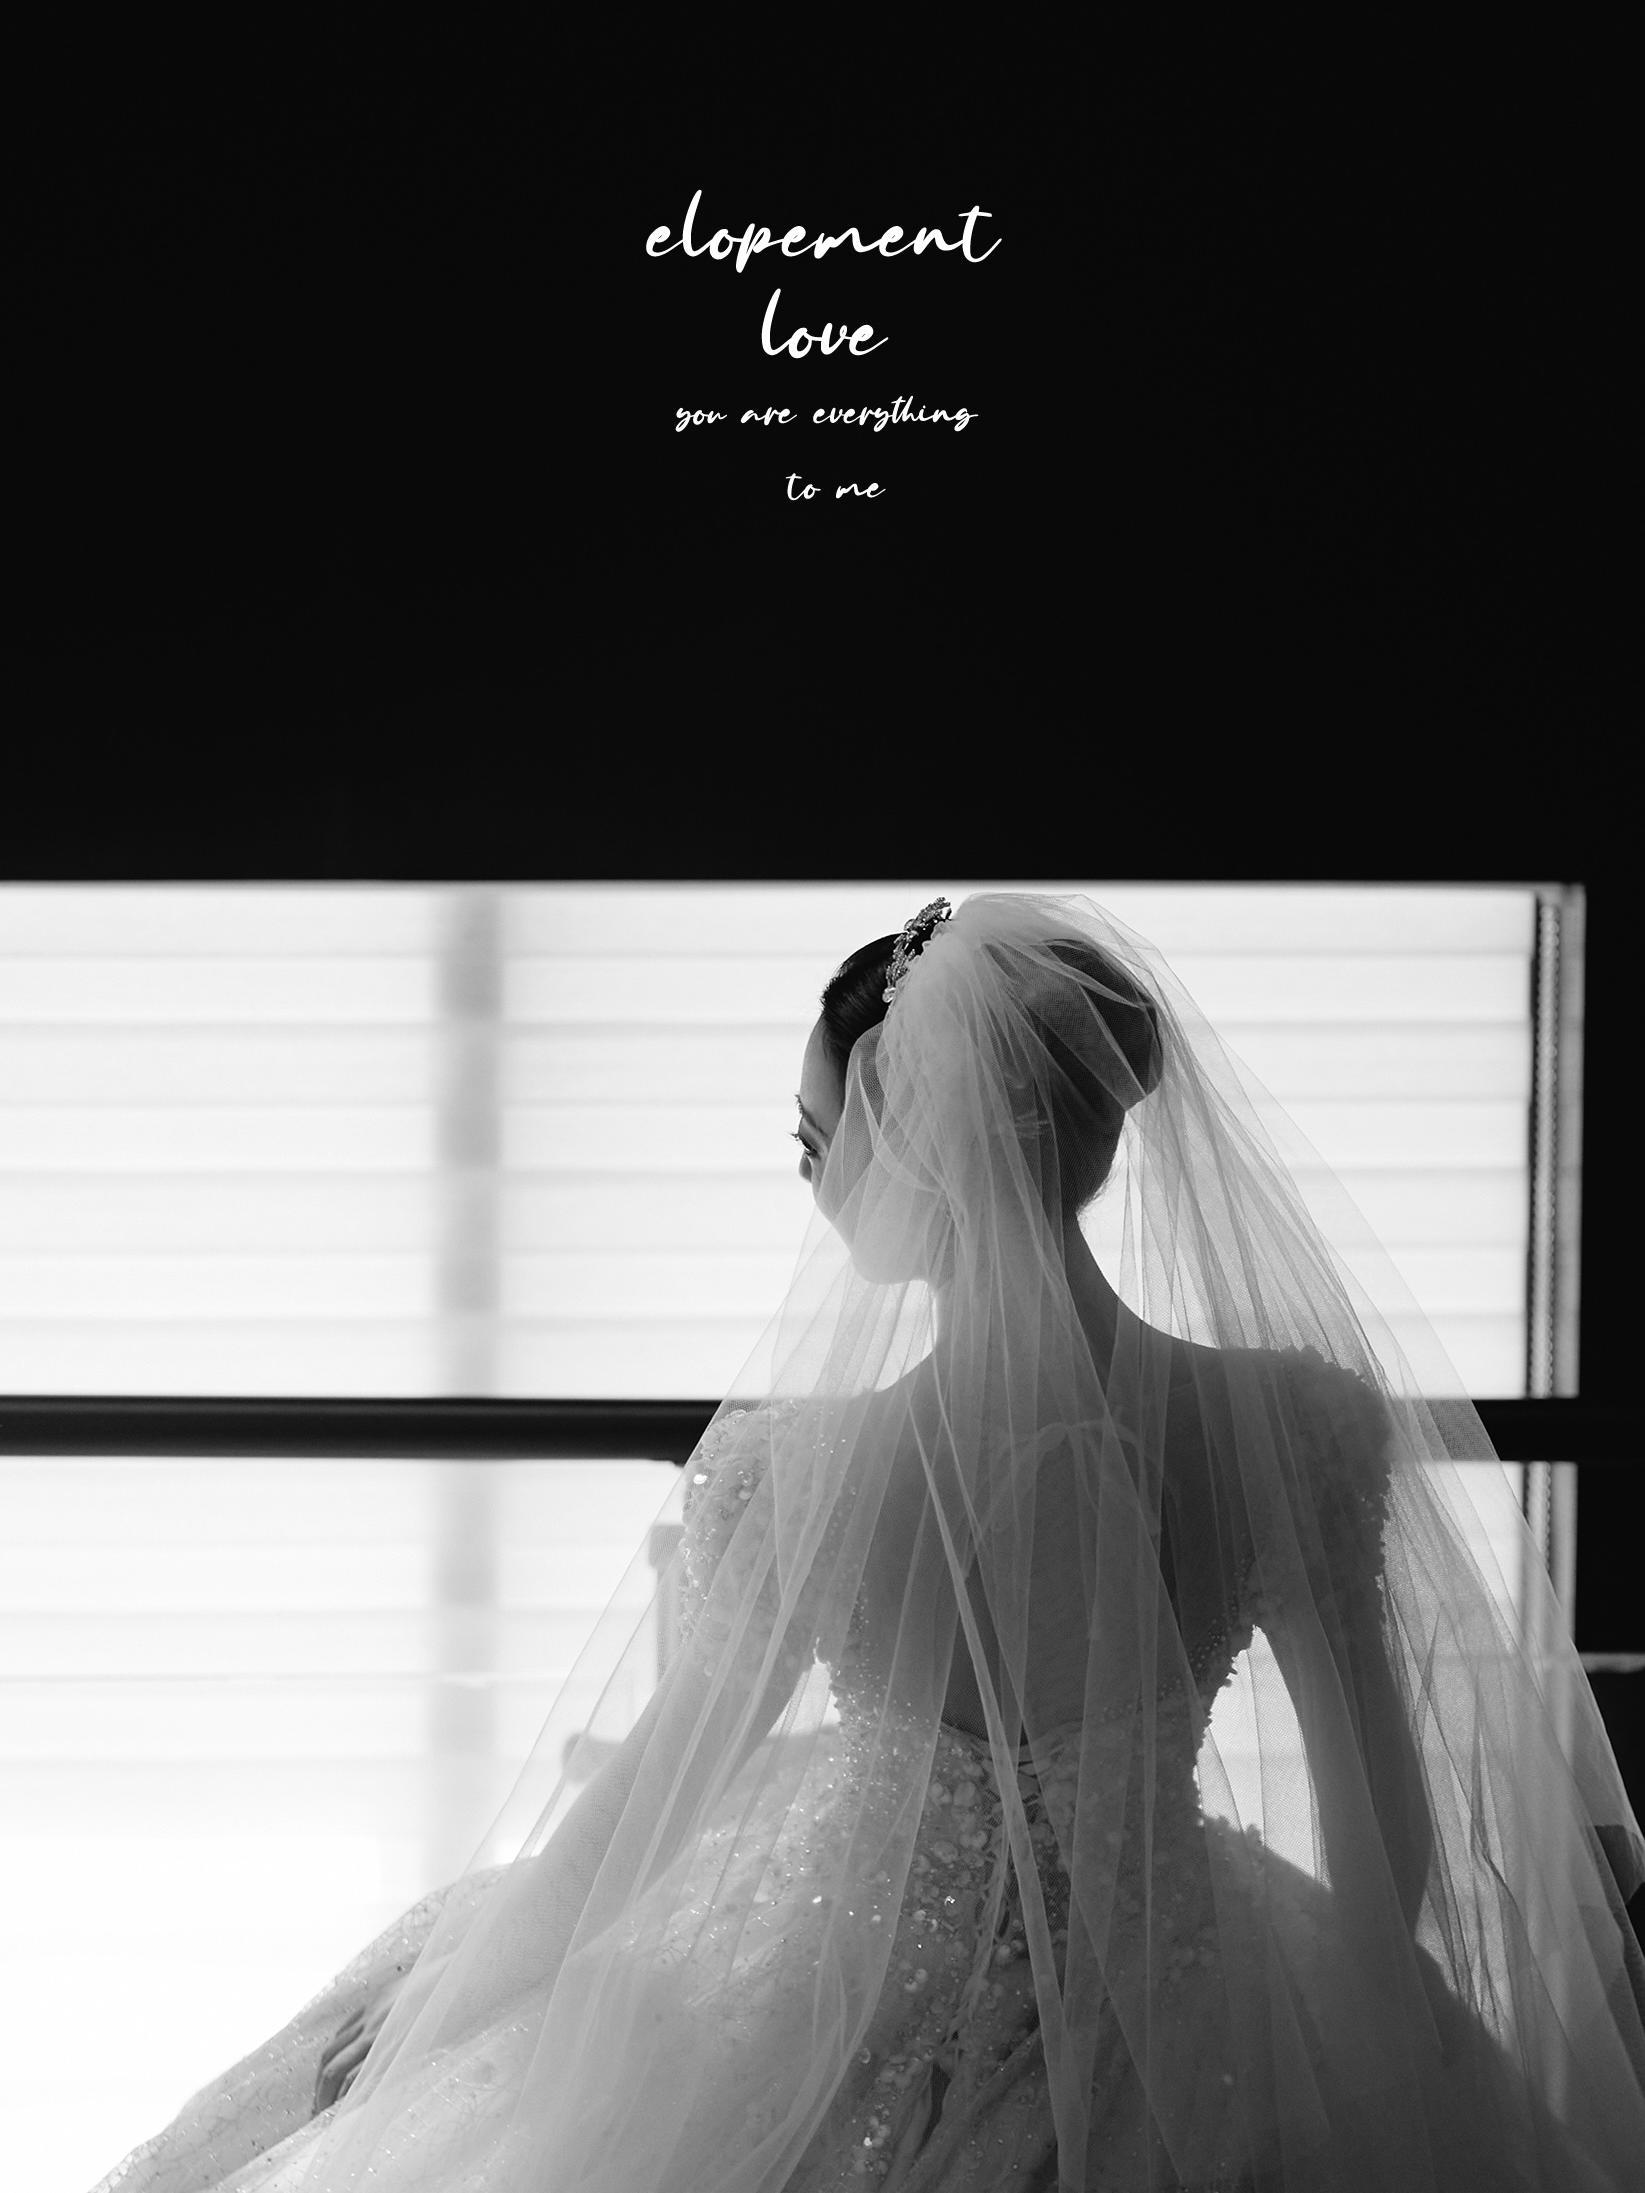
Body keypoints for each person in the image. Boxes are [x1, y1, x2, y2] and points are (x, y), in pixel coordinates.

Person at [94, 890, 1645, 2190]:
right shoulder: (1290, 1427)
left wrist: (455, 2003)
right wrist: (1365, 2078)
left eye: (814, 1137)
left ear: (920, 1142)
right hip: (1198, 1994)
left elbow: (646, 1802)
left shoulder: (807, 1470)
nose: (813, 1181)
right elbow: (1385, 1840)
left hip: (830, 2007)